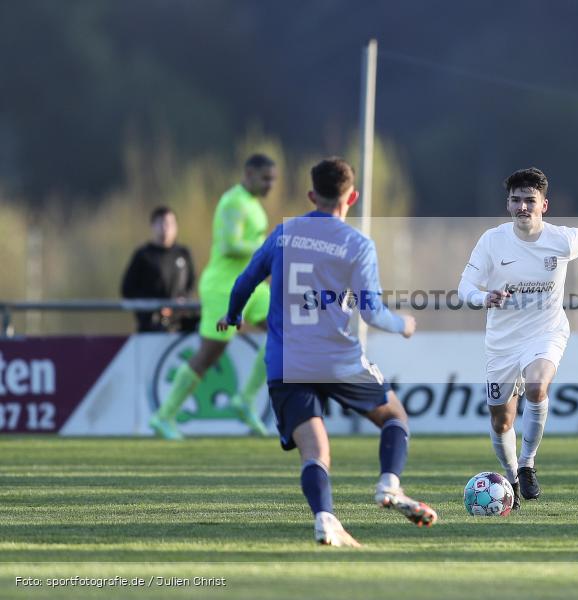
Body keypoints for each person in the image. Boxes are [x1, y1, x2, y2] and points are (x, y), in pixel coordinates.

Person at [217, 157, 437, 546]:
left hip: (287, 362)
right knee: (394, 416)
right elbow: (373, 313)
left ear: (310, 194)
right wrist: (403, 324)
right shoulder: (358, 244)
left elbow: (245, 280)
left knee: (315, 450)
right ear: (351, 196)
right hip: (339, 359)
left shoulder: (284, 233)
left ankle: (324, 518)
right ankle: (389, 484)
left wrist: (233, 316)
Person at [458, 167, 578, 507]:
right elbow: (464, 287)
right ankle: (511, 473)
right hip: (502, 341)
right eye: (516, 200)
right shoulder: (492, 241)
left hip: (547, 331)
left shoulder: (562, 239)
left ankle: (528, 463)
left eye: (530, 200)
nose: (523, 207)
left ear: (545, 205)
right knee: (501, 421)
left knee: (538, 385)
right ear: (508, 205)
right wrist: (484, 297)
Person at [149, 154, 276, 439]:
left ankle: (245, 400)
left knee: (284, 329)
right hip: (223, 287)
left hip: (251, 286)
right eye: (266, 178)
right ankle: (164, 415)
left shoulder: (254, 205)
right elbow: (230, 245)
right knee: (208, 355)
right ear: (249, 174)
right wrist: (268, 245)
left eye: (273, 179)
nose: (271, 184)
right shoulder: (233, 201)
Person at [121, 206, 197, 332]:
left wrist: (180, 302)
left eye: (169, 224)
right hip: (151, 326)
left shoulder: (183, 253)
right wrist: (154, 307)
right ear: (152, 226)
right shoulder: (143, 255)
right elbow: (127, 290)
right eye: (161, 223)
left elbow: (191, 284)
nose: (165, 228)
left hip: (180, 325)